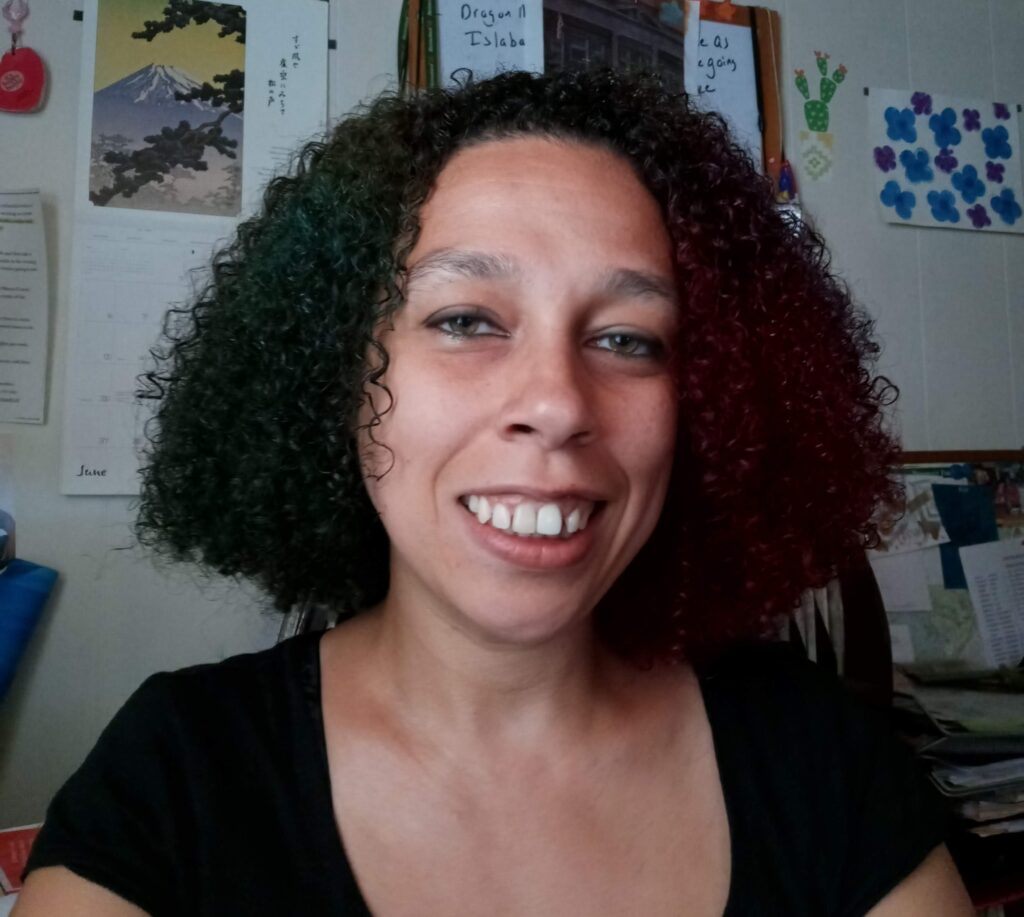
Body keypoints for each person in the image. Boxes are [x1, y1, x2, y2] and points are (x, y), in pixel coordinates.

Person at [17, 69, 974, 915]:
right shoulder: (179, 771)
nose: (557, 403)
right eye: (468, 318)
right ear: (340, 380)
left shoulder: (821, 761)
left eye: (629, 338)